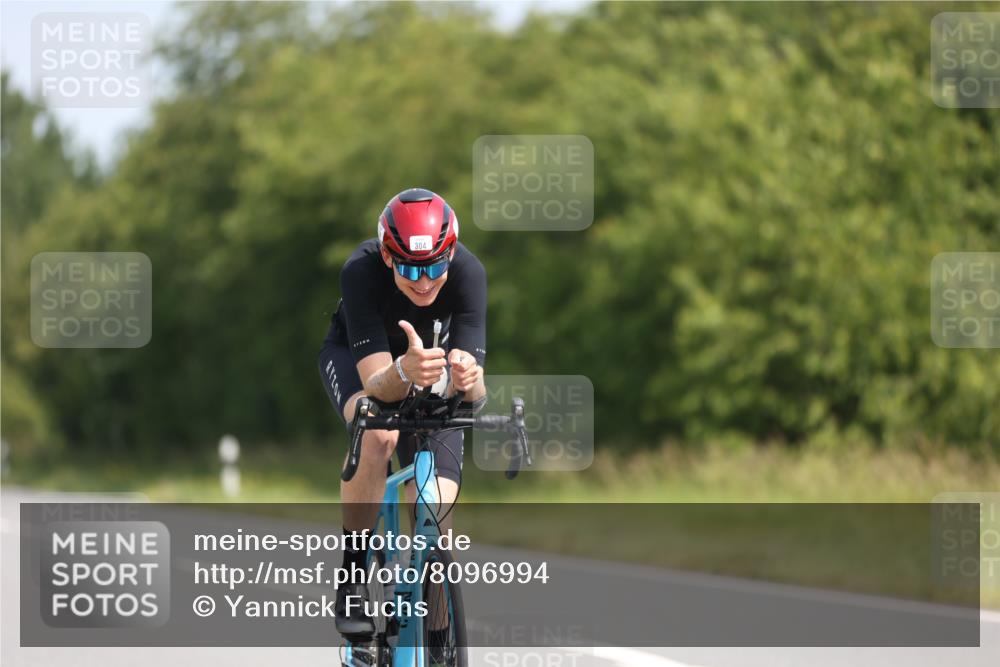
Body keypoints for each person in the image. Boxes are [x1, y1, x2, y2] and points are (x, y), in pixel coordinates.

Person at [318, 188, 487, 640]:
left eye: (435, 266)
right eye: (411, 268)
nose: (425, 281)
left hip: (430, 369)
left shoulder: (469, 273)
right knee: (378, 434)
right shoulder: (360, 271)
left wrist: (470, 377)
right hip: (364, 363)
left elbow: (476, 396)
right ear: (389, 258)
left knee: (434, 506)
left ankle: (438, 631)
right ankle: (354, 576)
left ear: (451, 254)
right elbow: (376, 385)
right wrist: (403, 370)